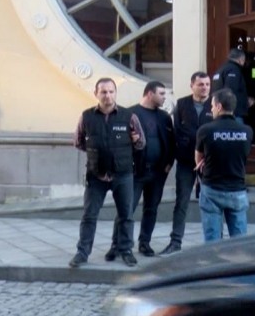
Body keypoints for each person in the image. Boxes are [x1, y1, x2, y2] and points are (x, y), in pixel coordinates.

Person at [70, 78, 145, 268]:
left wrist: (135, 140)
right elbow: (78, 141)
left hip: (123, 174)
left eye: (111, 91)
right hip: (96, 176)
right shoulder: (87, 116)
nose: (108, 96)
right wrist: (96, 153)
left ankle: (126, 251)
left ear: (115, 93)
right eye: (103, 92)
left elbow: (141, 143)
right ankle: (82, 253)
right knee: (89, 216)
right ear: (96, 94)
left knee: (126, 215)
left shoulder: (129, 116)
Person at [162, 71, 213, 255]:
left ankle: (213, 243)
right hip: (186, 161)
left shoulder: (214, 103)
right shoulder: (182, 104)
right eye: (201, 84)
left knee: (211, 204)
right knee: (181, 202)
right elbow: (175, 132)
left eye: (207, 84)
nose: (205, 88)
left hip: (209, 163)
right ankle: (175, 241)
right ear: (192, 86)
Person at [196, 88, 253, 243]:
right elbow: (243, 154)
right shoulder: (247, 131)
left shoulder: (205, 130)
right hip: (237, 189)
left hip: (212, 188)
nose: (211, 109)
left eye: (212, 106)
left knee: (212, 242)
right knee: (239, 241)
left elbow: (198, 159)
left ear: (219, 106)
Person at [128, 81, 175, 257]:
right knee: (127, 209)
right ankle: (119, 244)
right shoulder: (130, 113)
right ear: (149, 94)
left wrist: (169, 163)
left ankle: (144, 242)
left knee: (151, 209)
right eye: (161, 94)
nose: (164, 97)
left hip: (158, 172)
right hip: (136, 172)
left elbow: (171, 142)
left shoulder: (164, 117)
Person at [212, 48, 251, 121]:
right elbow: (230, 90)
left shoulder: (221, 69)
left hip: (219, 111)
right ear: (241, 59)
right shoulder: (234, 70)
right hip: (232, 114)